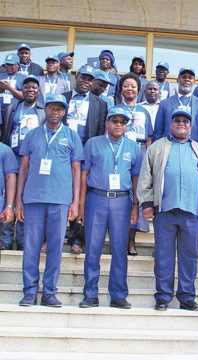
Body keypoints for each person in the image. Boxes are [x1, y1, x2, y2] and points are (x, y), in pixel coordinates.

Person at [137, 109, 198, 311]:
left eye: (185, 121)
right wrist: (147, 204)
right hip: (165, 210)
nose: (181, 124)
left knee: (189, 256)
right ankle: (163, 296)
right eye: (177, 121)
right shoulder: (157, 148)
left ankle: (186, 296)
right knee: (163, 255)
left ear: (190, 126)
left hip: (192, 212)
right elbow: (146, 177)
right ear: (171, 124)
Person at [17, 93, 83, 307]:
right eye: (52, 108)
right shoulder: (32, 135)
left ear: (64, 112)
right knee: (31, 246)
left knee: (55, 246)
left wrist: (75, 203)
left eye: (60, 109)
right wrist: (19, 201)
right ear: (45, 109)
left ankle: (49, 292)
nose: (55, 112)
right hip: (34, 198)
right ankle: (29, 291)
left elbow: (76, 171)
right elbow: (24, 168)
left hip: (60, 199)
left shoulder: (72, 136)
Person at [78, 107, 142, 309]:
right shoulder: (93, 143)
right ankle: (90, 294)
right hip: (96, 198)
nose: (118, 125)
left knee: (119, 249)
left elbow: (136, 178)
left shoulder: (133, 147)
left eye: (123, 122)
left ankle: (118, 294)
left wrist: (135, 206)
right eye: (115, 121)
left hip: (122, 201)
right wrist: (80, 204)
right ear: (107, 123)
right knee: (93, 248)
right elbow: (83, 175)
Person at [62, 65, 108, 254]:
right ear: (76, 77)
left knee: (82, 196)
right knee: (62, 193)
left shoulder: (100, 104)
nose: (86, 81)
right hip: (63, 153)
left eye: (90, 79)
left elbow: (99, 133)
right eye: (83, 77)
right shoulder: (63, 98)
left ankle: (78, 238)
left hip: (86, 155)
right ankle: (53, 236)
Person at [0, 76, 45, 251]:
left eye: (34, 87)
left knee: (25, 198)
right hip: (13, 155)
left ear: (38, 91)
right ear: (22, 90)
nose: (30, 90)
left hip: (32, 160)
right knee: (9, 196)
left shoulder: (42, 111)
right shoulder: (13, 108)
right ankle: (6, 236)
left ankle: (22, 238)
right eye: (27, 87)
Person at [115, 72, 153, 255]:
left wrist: (149, 160)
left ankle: (131, 240)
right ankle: (118, 238)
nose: (130, 89)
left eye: (133, 86)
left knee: (136, 195)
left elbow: (149, 139)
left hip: (140, 152)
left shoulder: (143, 111)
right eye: (126, 86)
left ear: (139, 90)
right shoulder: (115, 109)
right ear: (121, 89)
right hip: (121, 151)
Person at [154, 67, 198, 144]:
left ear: (194, 81)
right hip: (169, 149)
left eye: (190, 78)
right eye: (183, 77)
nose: (187, 79)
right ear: (177, 80)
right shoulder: (164, 104)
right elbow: (158, 132)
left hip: (195, 150)